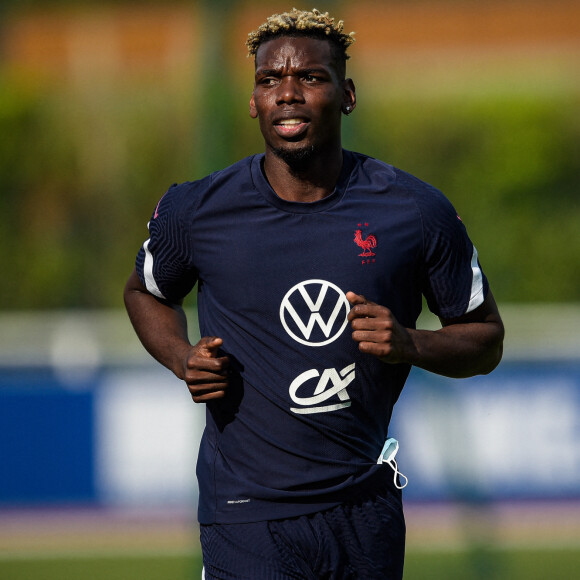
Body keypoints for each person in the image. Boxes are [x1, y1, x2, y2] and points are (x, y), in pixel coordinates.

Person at [124, 8, 504, 579]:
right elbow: (146, 292)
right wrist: (182, 358)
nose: (288, 94)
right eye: (270, 79)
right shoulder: (197, 209)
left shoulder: (414, 210)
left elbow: (486, 338)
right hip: (244, 516)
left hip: (364, 511)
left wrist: (409, 344)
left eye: (310, 77)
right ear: (253, 100)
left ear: (347, 95)